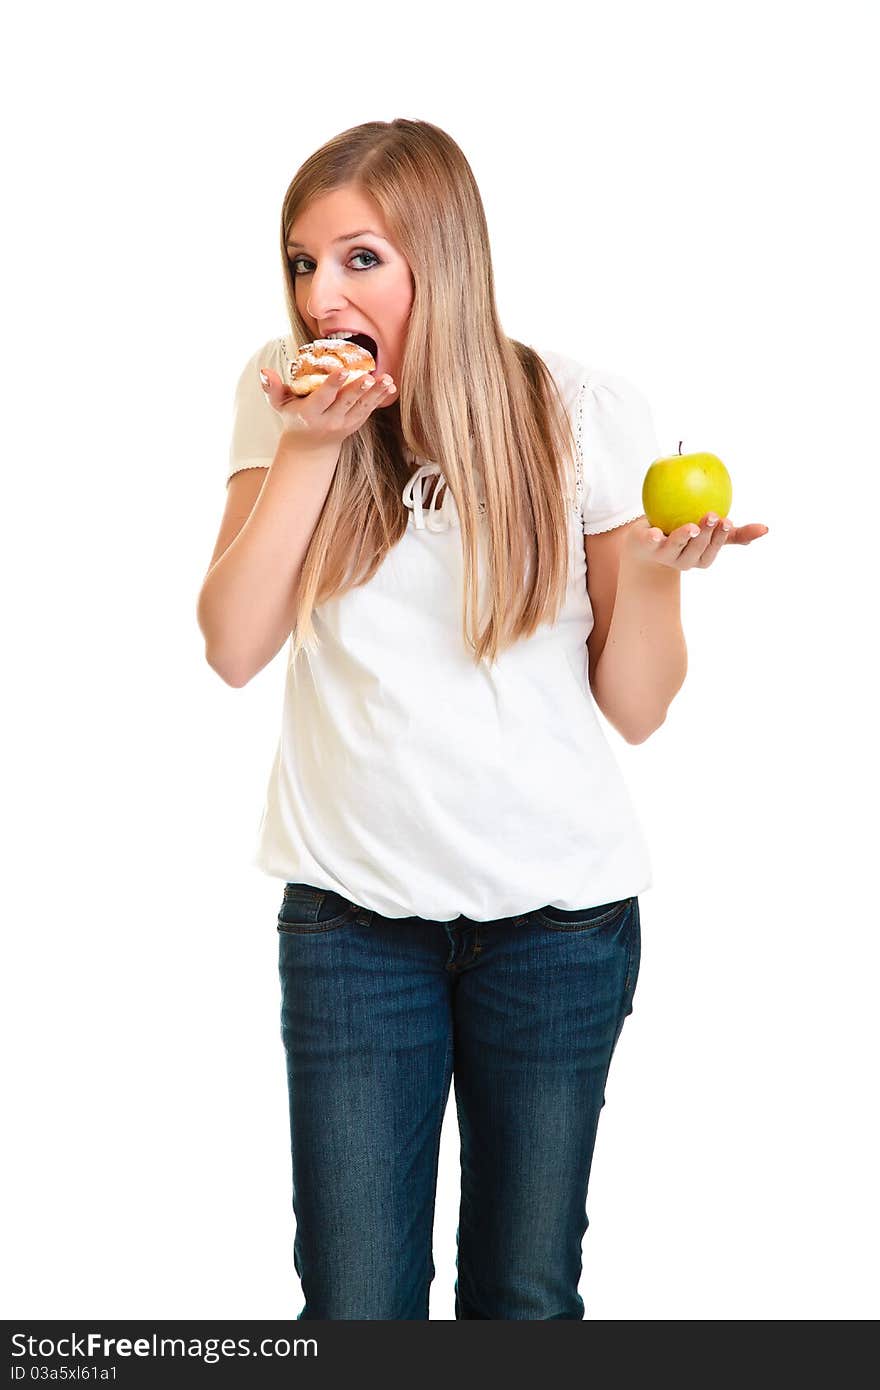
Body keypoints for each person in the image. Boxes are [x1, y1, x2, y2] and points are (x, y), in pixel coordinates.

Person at [197, 118, 768, 1320]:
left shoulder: (582, 409)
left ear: (440, 257)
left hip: (557, 933)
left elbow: (639, 708)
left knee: (523, 1296)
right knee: (354, 1308)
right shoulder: (281, 398)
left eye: (359, 259)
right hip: (353, 930)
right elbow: (234, 647)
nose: (320, 295)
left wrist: (658, 573)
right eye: (303, 263)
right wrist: (309, 450)